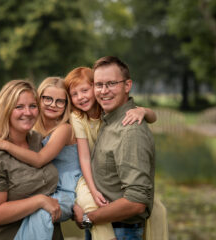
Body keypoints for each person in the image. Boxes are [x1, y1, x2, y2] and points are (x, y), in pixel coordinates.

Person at [0, 77, 82, 240]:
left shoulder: (64, 129)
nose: (52, 104)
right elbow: (4, 123)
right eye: (47, 99)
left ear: (66, 105)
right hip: (48, 188)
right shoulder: (32, 130)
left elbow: (39, 159)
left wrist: (4, 144)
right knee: (35, 212)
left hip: (65, 189)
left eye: (59, 101)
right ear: (39, 99)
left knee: (43, 213)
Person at [65, 67, 158, 240]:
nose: (81, 97)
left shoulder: (112, 114)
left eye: (85, 90)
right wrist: (93, 191)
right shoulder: (79, 118)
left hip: (120, 223)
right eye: (74, 94)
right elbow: (84, 157)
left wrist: (143, 111)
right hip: (88, 180)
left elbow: (153, 116)